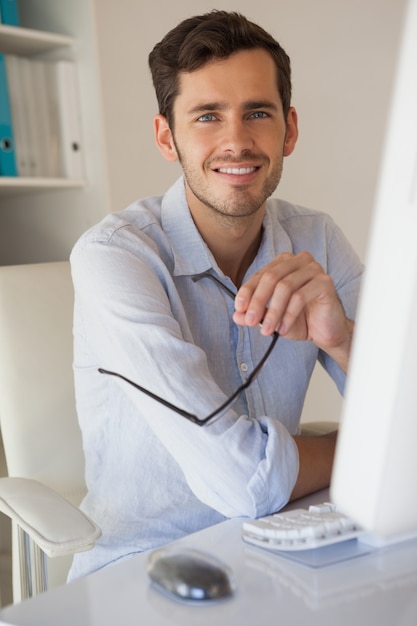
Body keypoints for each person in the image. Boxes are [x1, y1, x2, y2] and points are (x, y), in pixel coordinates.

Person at [68, 10, 363, 580]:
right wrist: (356, 451)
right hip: (142, 575)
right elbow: (241, 481)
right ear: (165, 136)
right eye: (207, 116)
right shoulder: (115, 256)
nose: (237, 141)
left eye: (258, 112)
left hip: (285, 557)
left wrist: (344, 339)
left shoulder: (317, 240)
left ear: (290, 129)